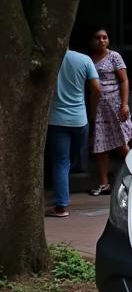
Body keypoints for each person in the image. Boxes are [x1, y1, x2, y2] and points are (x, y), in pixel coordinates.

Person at [47, 50, 100, 217]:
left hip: (56, 120)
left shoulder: (49, 60)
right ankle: (63, 191)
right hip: (80, 119)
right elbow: (97, 89)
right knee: (69, 160)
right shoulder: (84, 59)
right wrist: (93, 110)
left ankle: (61, 205)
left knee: (61, 162)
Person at [87, 27, 132, 195]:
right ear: (91, 40)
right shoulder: (88, 59)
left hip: (114, 105)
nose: (101, 40)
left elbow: (124, 80)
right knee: (100, 146)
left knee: (121, 143)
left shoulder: (114, 56)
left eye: (105, 37)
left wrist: (125, 104)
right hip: (97, 108)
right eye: (98, 37)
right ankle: (103, 184)